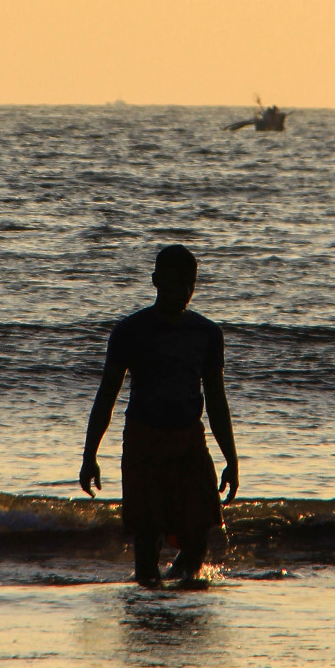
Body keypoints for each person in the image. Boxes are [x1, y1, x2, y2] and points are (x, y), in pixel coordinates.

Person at [79, 244, 239, 586]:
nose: (183, 291)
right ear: (155, 281)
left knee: (198, 539)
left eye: (189, 283)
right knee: (146, 541)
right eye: (174, 282)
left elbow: (217, 401)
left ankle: (176, 593)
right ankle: (151, 601)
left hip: (189, 444)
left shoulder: (207, 334)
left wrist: (231, 459)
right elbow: (106, 396)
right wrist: (89, 455)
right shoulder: (130, 331)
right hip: (144, 442)